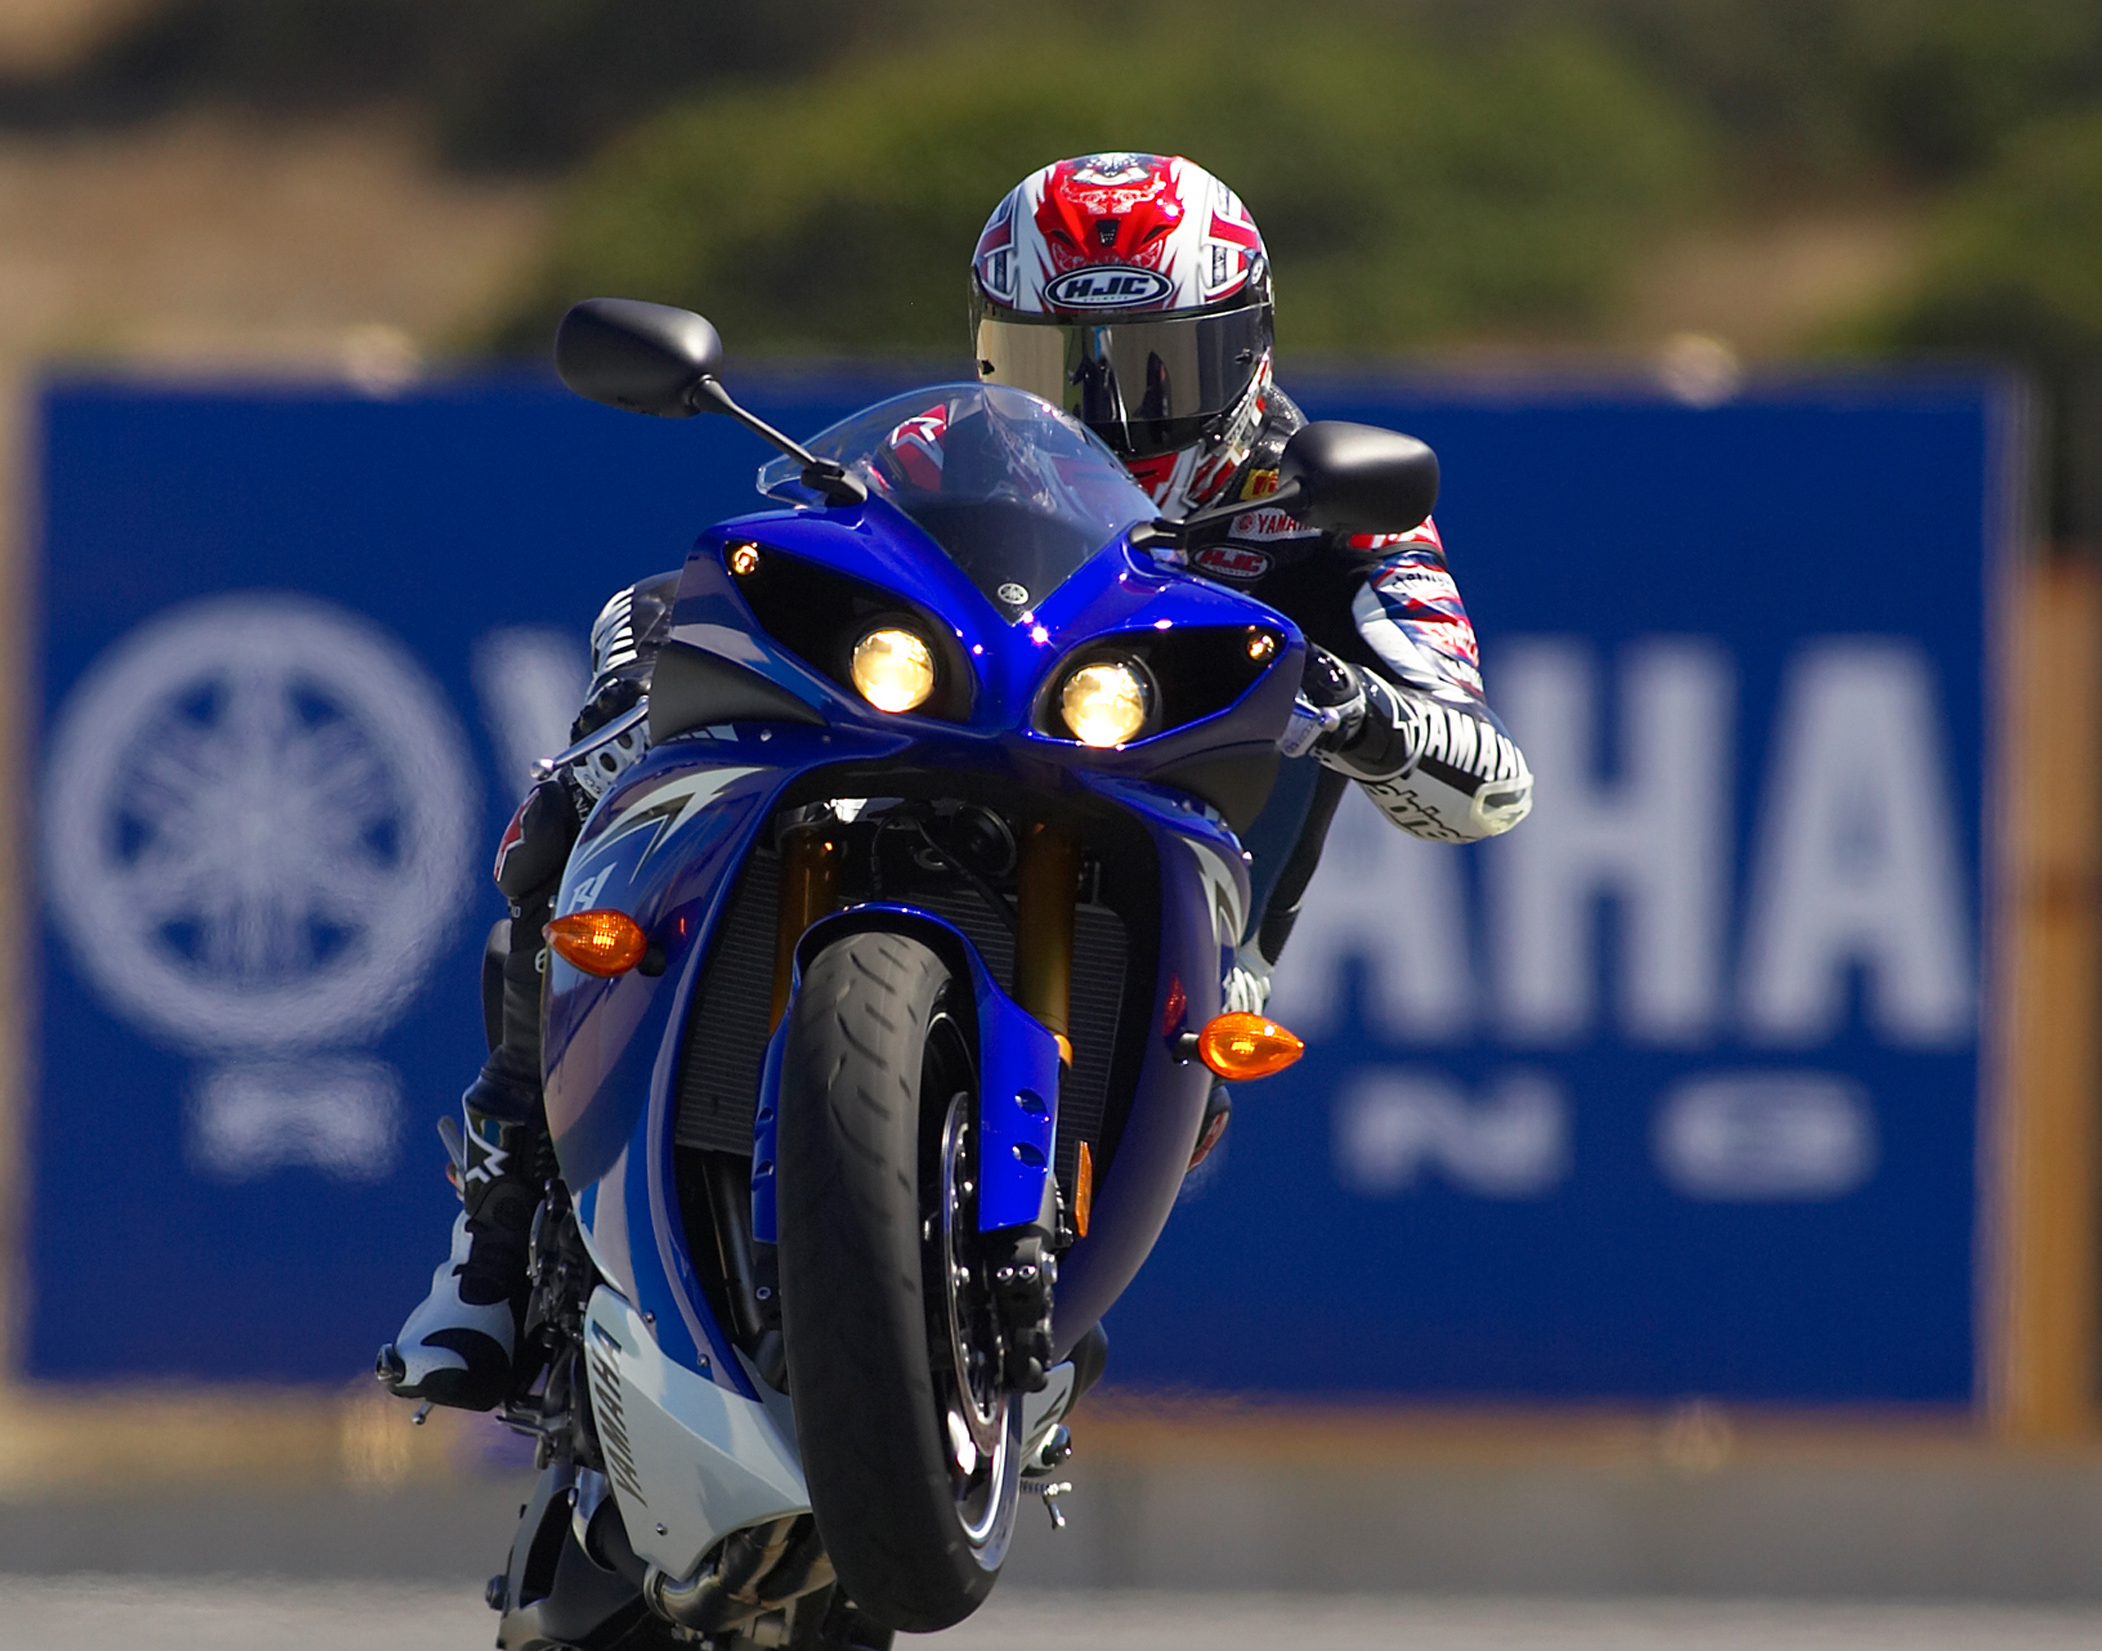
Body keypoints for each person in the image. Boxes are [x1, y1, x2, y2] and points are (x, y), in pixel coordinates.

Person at [380, 151, 1531, 1409]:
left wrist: (1369, 713)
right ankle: (489, 1249)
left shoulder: (1338, 511)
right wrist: (654, 679)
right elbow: (787, 563)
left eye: (1155, 370)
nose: (1104, 415)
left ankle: (1008, 1297)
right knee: (593, 745)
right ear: (990, 358)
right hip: (946, 778)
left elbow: (1489, 783)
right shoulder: (941, 448)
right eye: (1052, 368)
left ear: (1247, 350)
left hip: (1185, 902)